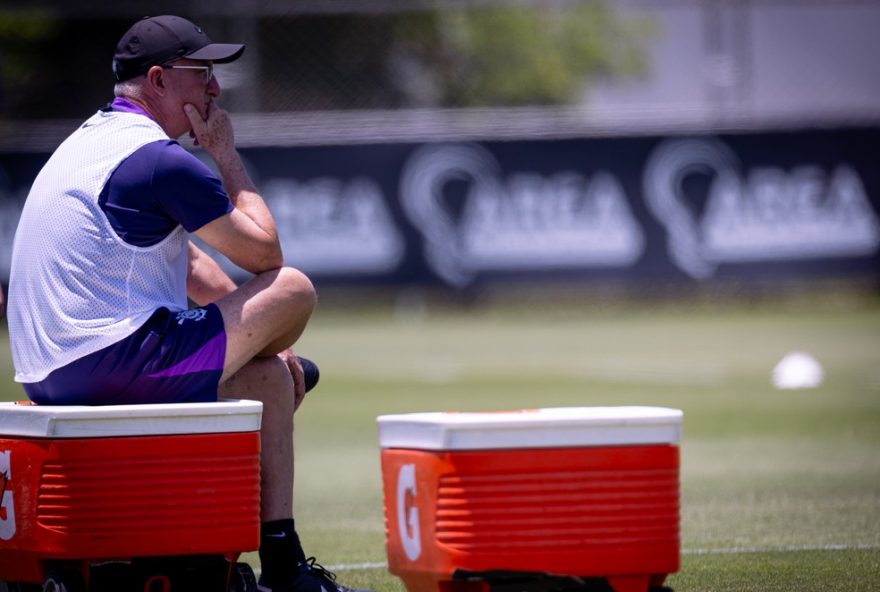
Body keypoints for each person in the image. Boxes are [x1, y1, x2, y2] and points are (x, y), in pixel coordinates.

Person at [6, 15, 367, 592]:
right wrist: (226, 155)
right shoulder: (159, 159)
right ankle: (285, 573)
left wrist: (266, 344)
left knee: (269, 379)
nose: (215, 90)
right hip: (111, 363)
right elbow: (265, 255)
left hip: (53, 371)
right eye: (201, 74)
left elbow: (193, 265)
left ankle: (282, 557)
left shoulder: (92, 139)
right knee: (294, 287)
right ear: (157, 80)